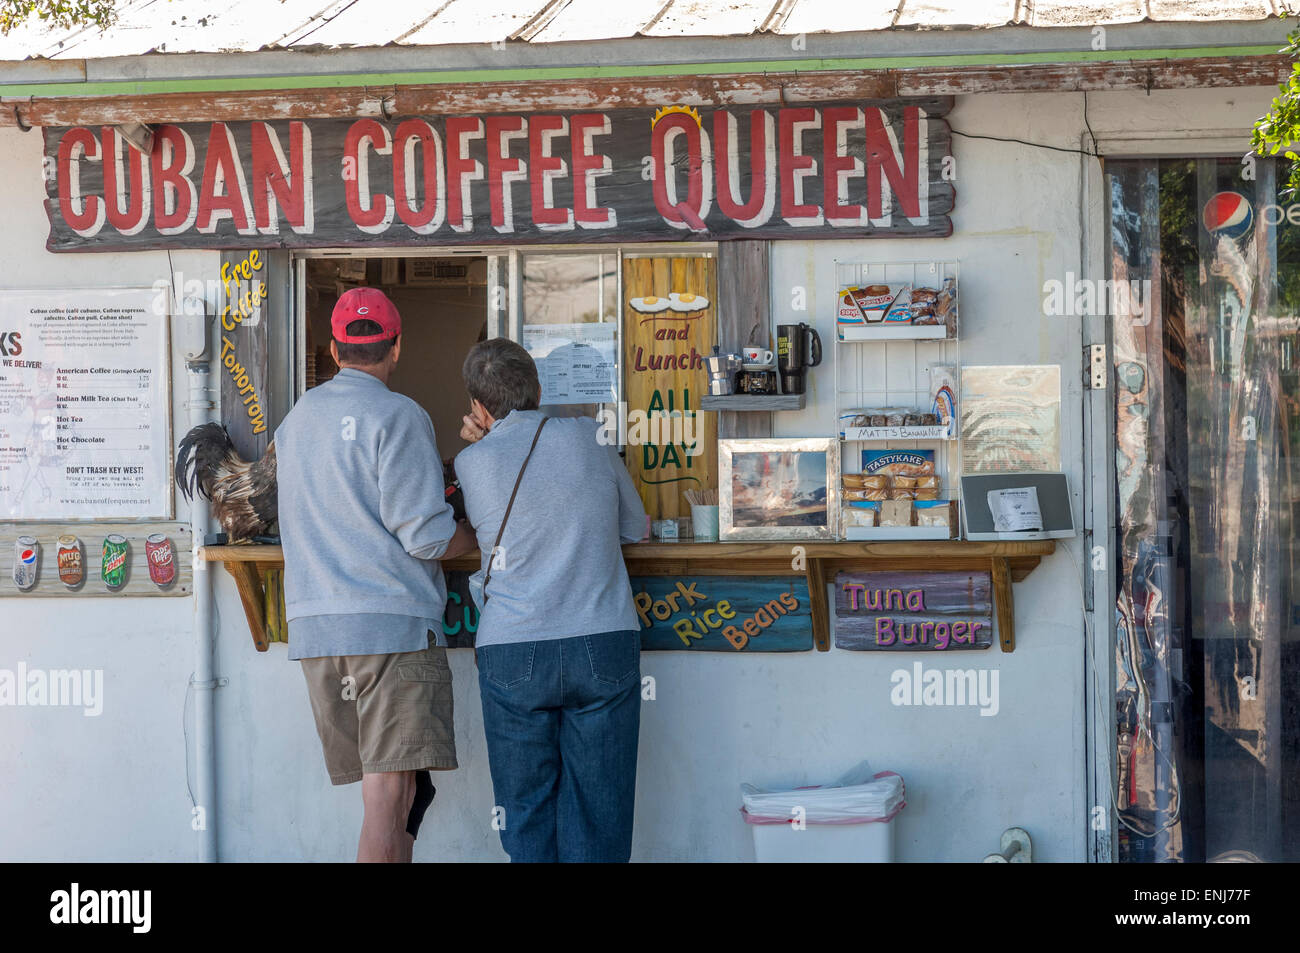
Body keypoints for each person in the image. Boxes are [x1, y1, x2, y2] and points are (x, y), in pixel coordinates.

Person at [276, 287, 476, 863]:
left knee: (401, 791)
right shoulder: (398, 414)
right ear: (396, 348)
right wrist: (484, 541)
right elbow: (428, 535)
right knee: (391, 796)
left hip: (318, 634)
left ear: (336, 351)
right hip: (389, 629)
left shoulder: (295, 423)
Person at [455, 338, 647, 863]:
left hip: (513, 649)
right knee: (600, 812)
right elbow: (637, 528)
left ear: (478, 407)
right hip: (601, 640)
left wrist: (483, 441)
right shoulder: (591, 437)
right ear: (539, 389)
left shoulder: (471, 462)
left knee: (526, 812)